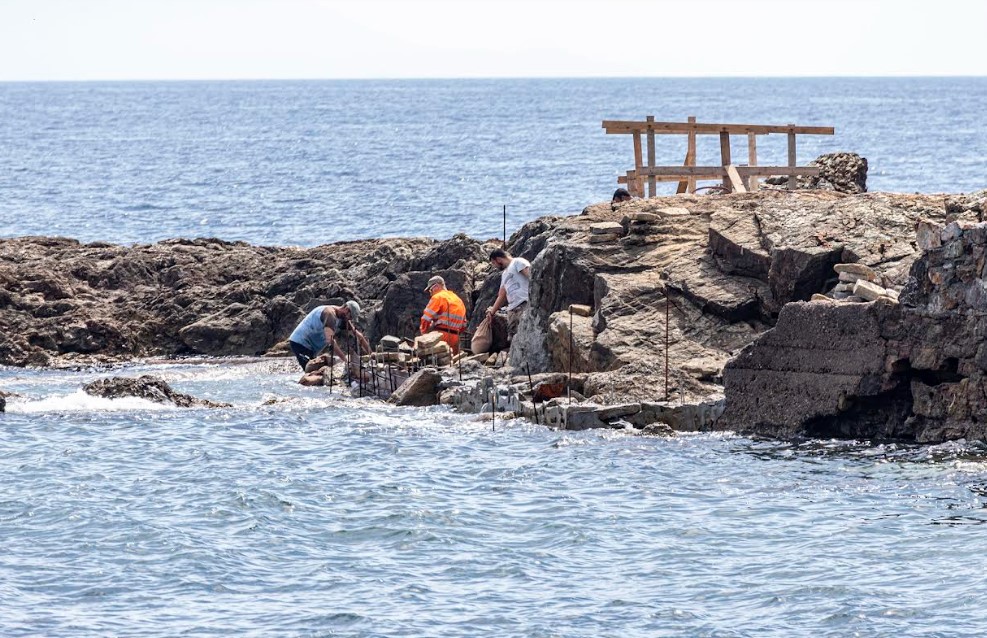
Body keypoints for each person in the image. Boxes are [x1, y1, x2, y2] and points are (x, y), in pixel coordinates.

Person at [287, 300, 370, 372]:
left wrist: (371, 354)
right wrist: (345, 360)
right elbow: (330, 340)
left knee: (315, 370)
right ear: (346, 309)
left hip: (312, 348)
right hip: (300, 342)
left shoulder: (342, 317)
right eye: (350, 317)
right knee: (311, 372)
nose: (350, 320)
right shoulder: (330, 314)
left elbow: (358, 336)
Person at [486, 248, 531, 343]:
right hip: (512, 310)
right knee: (513, 339)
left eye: (494, 263)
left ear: (498, 259)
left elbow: (531, 276)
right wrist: (491, 313)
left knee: (525, 338)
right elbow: (501, 295)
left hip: (524, 304)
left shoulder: (518, 262)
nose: (495, 267)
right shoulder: (504, 274)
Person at [420, 275, 468, 354]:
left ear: (436, 286)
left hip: (441, 337)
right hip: (456, 338)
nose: (430, 293)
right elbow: (464, 324)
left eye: (430, 290)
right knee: (452, 363)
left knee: (435, 363)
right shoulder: (458, 299)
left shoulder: (438, 297)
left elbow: (426, 318)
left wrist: (424, 333)